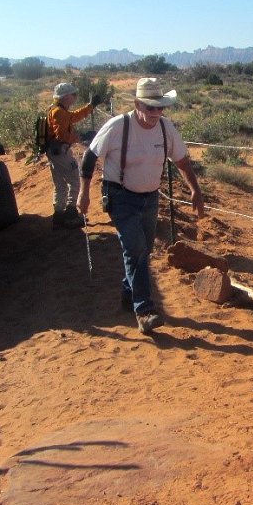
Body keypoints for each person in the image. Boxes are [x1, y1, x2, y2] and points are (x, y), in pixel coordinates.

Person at [78, 78, 205, 334]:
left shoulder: (165, 128)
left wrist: (195, 189)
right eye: (150, 107)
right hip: (120, 196)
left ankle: (129, 293)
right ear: (137, 104)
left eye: (160, 108)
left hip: (150, 197)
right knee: (135, 250)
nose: (155, 113)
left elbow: (181, 160)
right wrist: (83, 193)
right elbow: (90, 156)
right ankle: (144, 310)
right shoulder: (118, 126)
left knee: (143, 250)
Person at [46, 82, 98, 230]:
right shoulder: (58, 112)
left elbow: (74, 117)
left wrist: (91, 106)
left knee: (60, 185)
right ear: (66, 96)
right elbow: (62, 135)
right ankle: (71, 216)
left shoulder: (57, 110)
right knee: (75, 180)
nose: (75, 97)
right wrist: (80, 136)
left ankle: (59, 216)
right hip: (61, 152)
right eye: (73, 95)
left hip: (55, 152)